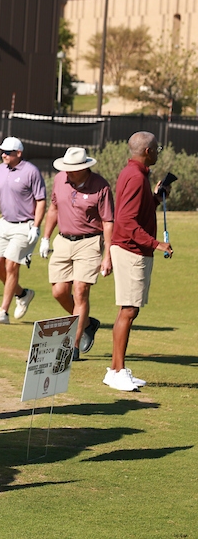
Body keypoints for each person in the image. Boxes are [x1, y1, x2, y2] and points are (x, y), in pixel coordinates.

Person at [105, 132, 173, 392]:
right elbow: (126, 222)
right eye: (157, 148)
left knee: (129, 309)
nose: (158, 152)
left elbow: (138, 212)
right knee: (129, 310)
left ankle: (115, 369)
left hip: (132, 250)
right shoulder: (135, 177)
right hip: (131, 251)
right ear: (147, 151)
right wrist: (157, 244)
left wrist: (156, 197)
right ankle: (118, 370)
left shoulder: (135, 174)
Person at [38, 147, 112, 360]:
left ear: (83, 168)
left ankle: (74, 346)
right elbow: (53, 209)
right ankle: (87, 322)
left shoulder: (101, 186)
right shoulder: (61, 179)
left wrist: (107, 254)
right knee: (59, 292)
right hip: (63, 240)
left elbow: (108, 221)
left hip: (89, 242)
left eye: (72, 169)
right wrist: (45, 237)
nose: (67, 172)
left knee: (80, 291)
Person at [0, 137, 45, 324]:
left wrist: (36, 226)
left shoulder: (31, 172)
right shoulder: (0, 169)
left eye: (7, 152)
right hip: (4, 224)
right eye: (2, 152)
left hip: (25, 226)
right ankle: (22, 294)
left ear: (18, 153)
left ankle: (3, 312)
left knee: (11, 266)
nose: (3, 155)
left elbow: (41, 200)